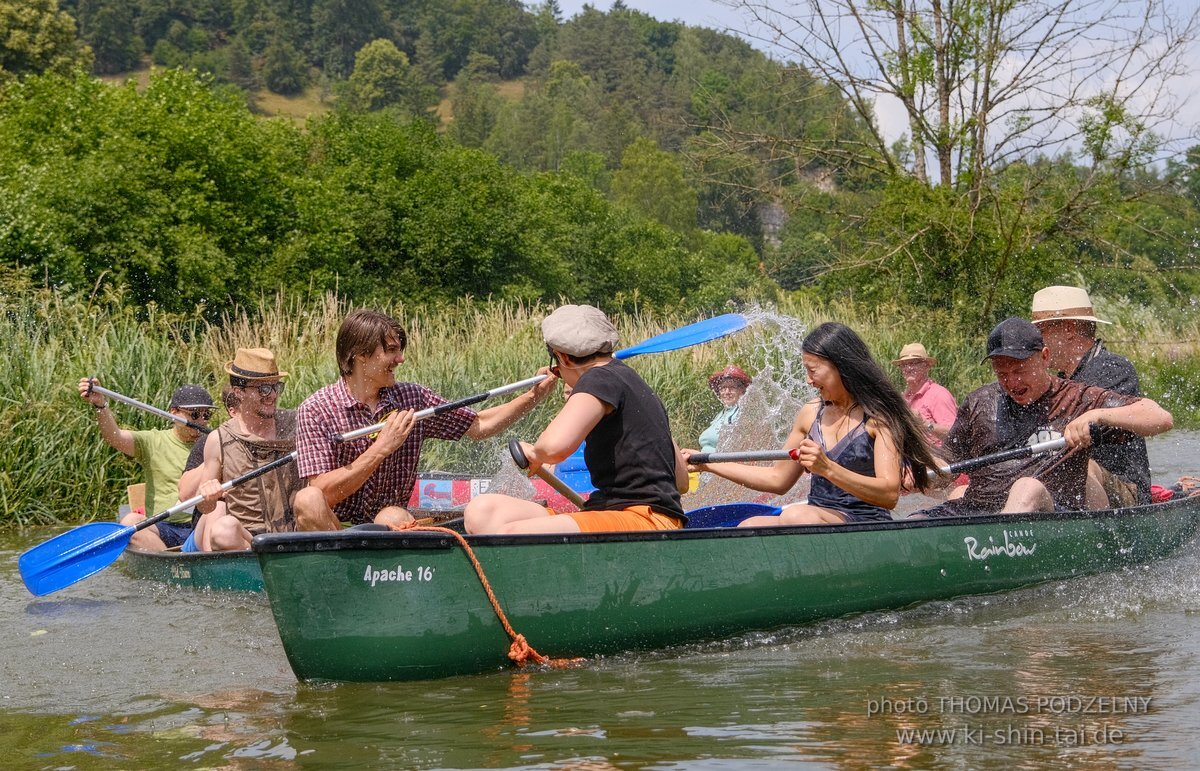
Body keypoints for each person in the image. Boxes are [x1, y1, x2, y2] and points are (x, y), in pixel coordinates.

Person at [293, 309, 556, 530]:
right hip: (335, 530)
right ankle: (341, 580)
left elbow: (478, 425)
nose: (401, 359)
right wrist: (382, 448)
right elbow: (323, 491)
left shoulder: (412, 398)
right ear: (361, 354)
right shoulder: (316, 409)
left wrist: (533, 396)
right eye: (392, 351)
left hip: (389, 524)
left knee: (391, 515)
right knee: (307, 499)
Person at [686, 322, 940, 526]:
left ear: (842, 367)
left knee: (798, 516)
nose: (808, 380)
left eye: (813, 370)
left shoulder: (879, 418)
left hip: (865, 523)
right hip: (815, 519)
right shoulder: (810, 413)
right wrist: (708, 463)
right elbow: (778, 479)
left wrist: (827, 468)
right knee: (750, 525)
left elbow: (888, 495)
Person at [464, 304, 689, 535]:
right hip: (613, 513)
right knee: (483, 511)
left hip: (642, 518)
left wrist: (534, 453)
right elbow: (681, 483)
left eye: (556, 365)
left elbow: (554, 447)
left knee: (509, 535)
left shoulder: (599, 378)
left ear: (563, 358)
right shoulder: (633, 383)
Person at [915, 318, 1172, 518]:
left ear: (1045, 357)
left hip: (1049, 516)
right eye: (1002, 373)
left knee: (1027, 487)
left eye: (1020, 370)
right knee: (941, 503)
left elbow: (1159, 417)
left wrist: (1096, 416)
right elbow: (947, 461)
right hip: (978, 511)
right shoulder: (978, 402)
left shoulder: (1077, 398)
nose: (1012, 382)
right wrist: (926, 473)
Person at [1031, 285, 1150, 507]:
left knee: (1077, 467)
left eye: (1041, 331)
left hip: (1125, 492)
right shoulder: (1062, 379)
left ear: (1069, 329)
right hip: (1070, 487)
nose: (1036, 342)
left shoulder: (1112, 369)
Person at [186, 348, 302, 551]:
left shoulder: (296, 424)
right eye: (263, 389)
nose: (272, 395)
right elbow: (204, 507)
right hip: (250, 541)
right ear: (239, 391)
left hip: (296, 533)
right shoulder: (218, 439)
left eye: (276, 387)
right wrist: (207, 493)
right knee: (223, 529)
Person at [78, 377, 213, 550]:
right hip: (163, 526)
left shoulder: (214, 443)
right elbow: (115, 437)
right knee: (129, 523)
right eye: (194, 414)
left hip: (200, 524)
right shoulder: (153, 441)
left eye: (206, 415)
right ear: (174, 412)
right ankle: (169, 563)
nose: (201, 421)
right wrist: (100, 406)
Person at [893, 343, 956, 445]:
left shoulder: (939, 395)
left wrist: (924, 424)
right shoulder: (904, 398)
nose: (908, 368)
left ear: (926, 366)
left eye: (913, 363)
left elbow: (954, 435)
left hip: (937, 458)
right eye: (904, 364)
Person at [699, 365, 752, 454]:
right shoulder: (721, 415)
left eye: (732, 387)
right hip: (707, 463)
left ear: (742, 391)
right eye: (723, 388)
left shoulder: (743, 413)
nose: (727, 392)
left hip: (721, 464)